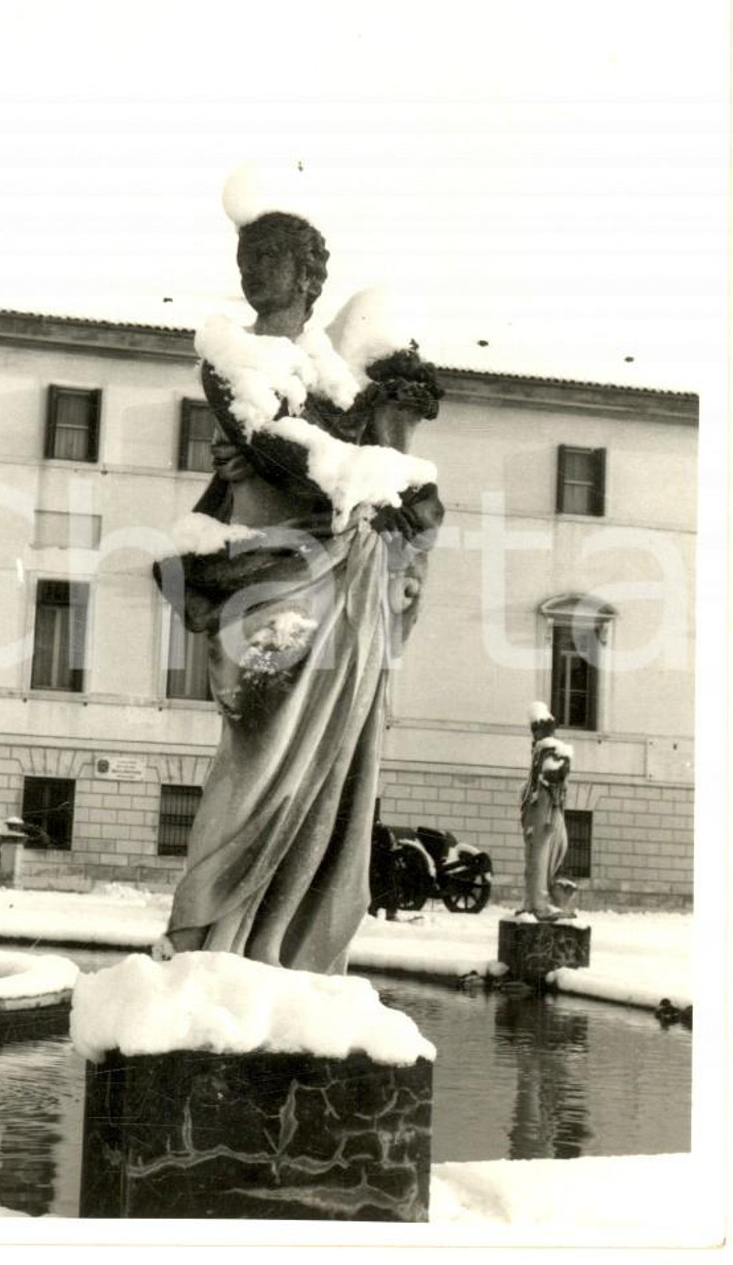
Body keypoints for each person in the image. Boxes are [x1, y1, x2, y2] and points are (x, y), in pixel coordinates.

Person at [153, 171, 445, 973]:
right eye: (248, 252)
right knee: (257, 758)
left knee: (325, 775)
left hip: (340, 583)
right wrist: (367, 477)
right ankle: (206, 935)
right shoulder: (230, 351)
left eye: (273, 254)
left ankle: (286, 949)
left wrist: (402, 473)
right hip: (269, 580)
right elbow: (274, 441)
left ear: (308, 272)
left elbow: (381, 435)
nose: (254, 267)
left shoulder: (329, 371)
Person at [517, 702, 577, 920]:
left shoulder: (548, 748)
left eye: (537, 727)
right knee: (537, 859)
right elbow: (546, 777)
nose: (534, 733)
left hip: (544, 813)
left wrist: (561, 765)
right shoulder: (542, 749)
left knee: (541, 858)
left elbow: (553, 774)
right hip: (539, 813)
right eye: (534, 728)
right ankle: (536, 903)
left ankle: (540, 903)